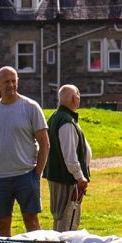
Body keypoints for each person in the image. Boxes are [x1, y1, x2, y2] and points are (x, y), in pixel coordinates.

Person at [0, 66, 49, 237]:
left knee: (32, 223)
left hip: (26, 176)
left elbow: (45, 144)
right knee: (1, 226)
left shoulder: (31, 107)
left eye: (13, 81)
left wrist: (36, 173)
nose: (11, 85)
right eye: (6, 81)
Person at [45, 84, 92, 232]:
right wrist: (80, 177)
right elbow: (70, 156)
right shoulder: (66, 122)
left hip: (59, 177)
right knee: (67, 219)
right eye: (78, 95)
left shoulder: (55, 117)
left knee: (61, 217)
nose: (79, 98)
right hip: (66, 179)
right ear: (74, 99)